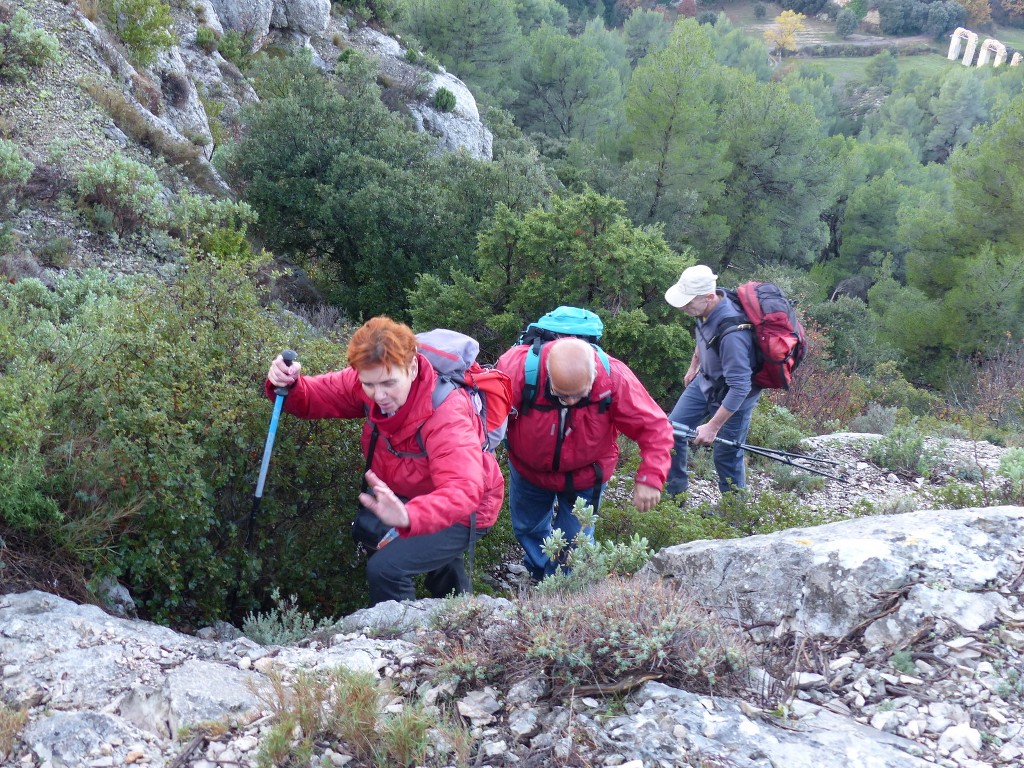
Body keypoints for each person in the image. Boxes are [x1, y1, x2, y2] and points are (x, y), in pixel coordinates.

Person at [265, 316, 502, 605]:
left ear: (412, 368)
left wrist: (409, 517)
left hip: (468, 509)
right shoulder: (372, 376)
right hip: (413, 494)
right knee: (409, 548)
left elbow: (463, 490)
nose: (379, 396)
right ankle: (460, 611)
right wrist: (289, 384)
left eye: (389, 383)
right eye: (369, 385)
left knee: (387, 570)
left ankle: (404, 640)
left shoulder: (446, 413)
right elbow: (314, 397)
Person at [496, 336, 673, 582]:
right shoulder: (517, 369)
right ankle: (541, 576)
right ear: (547, 373)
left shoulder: (614, 378)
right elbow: (486, 417)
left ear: (593, 377)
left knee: (575, 542)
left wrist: (651, 477)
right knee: (528, 529)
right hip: (529, 471)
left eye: (578, 395)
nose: (569, 401)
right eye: (561, 395)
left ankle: (564, 587)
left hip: (586, 475)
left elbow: (654, 427)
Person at [663, 264, 761, 499]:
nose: (683, 307)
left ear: (708, 296)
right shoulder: (707, 306)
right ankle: (674, 499)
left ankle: (734, 513)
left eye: (688, 303)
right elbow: (705, 334)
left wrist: (713, 426)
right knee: (671, 431)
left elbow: (740, 387)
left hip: (734, 396)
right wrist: (694, 365)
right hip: (705, 381)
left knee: (726, 454)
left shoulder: (734, 334)